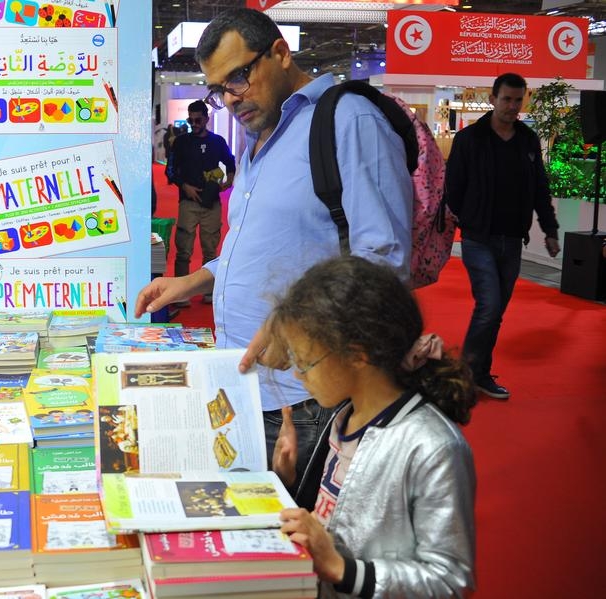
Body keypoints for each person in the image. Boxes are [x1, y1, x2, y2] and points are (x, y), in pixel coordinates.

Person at [135, 8, 413, 479]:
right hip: (240, 380)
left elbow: (384, 263)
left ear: (280, 52)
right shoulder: (258, 138)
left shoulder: (349, 121)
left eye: (238, 77)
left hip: (305, 395)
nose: (230, 99)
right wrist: (193, 280)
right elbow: (255, 247)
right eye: (218, 88)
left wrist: (293, 323)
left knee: (293, 537)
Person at [271, 255, 476, 598]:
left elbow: (451, 579)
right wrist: (288, 481)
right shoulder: (344, 417)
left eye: (307, 362)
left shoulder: (433, 447)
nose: (298, 374)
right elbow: (333, 517)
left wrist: (341, 568)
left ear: (356, 355)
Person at [445, 73, 560, 400]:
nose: (512, 106)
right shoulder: (469, 140)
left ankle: (479, 373)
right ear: (493, 99)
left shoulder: (526, 140)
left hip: (512, 241)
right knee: (490, 305)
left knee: (495, 312)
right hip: (477, 238)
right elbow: (453, 188)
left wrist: (550, 230)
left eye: (517, 100)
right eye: (506, 99)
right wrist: (467, 219)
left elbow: (540, 188)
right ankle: (463, 377)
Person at [167, 100, 236, 305]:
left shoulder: (218, 141)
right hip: (187, 203)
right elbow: (170, 171)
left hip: (211, 203)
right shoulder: (180, 143)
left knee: (210, 249)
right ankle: (181, 293)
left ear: (206, 118)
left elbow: (230, 163)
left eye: (198, 120)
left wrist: (229, 180)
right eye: (191, 120)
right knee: (183, 249)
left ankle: (208, 292)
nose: (194, 123)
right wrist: (184, 186)